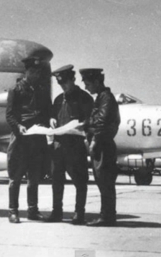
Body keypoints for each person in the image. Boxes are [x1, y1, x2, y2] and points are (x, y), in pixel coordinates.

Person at [5, 55, 52, 223]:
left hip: (36, 139)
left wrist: (49, 121)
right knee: (15, 177)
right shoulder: (16, 90)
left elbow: (47, 112)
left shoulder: (41, 90)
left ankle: (33, 210)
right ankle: (13, 211)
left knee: (34, 178)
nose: (35, 75)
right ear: (26, 72)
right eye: (32, 71)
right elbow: (9, 115)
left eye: (37, 72)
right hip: (20, 139)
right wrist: (18, 126)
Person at [46, 65, 94, 225]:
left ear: (73, 80)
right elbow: (53, 116)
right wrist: (51, 119)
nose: (63, 86)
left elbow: (91, 120)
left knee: (80, 182)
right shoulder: (59, 99)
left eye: (65, 83)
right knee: (56, 182)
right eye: (60, 84)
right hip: (59, 146)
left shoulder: (85, 98)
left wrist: (83, 125)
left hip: (75, 146)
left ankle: (79, 214)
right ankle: (56, 212)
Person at [79, 68, 121, 227]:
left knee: (105, 182)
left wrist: (94, 141)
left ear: (97, 82)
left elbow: (102, 122)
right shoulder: (103, 98)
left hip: (102, 146)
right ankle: (107, 216)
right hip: (102, 144)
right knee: (104, 182)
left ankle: (107, 217)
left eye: (88, 83)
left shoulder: (106, 98)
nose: (86, 87)